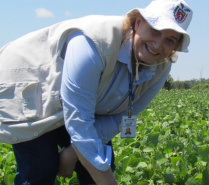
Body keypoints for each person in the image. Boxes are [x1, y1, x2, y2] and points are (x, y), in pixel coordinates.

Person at [0, 0, 193, 184]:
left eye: (170, 40)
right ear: (139, 22)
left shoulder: (160, 68)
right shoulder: (93, 42)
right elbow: (79, 120)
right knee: (42, 167)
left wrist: (72, 153)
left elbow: (125, 116)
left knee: (101, 159)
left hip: (72, 102)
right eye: (155, 30)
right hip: (30, 88)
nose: (158, 45)